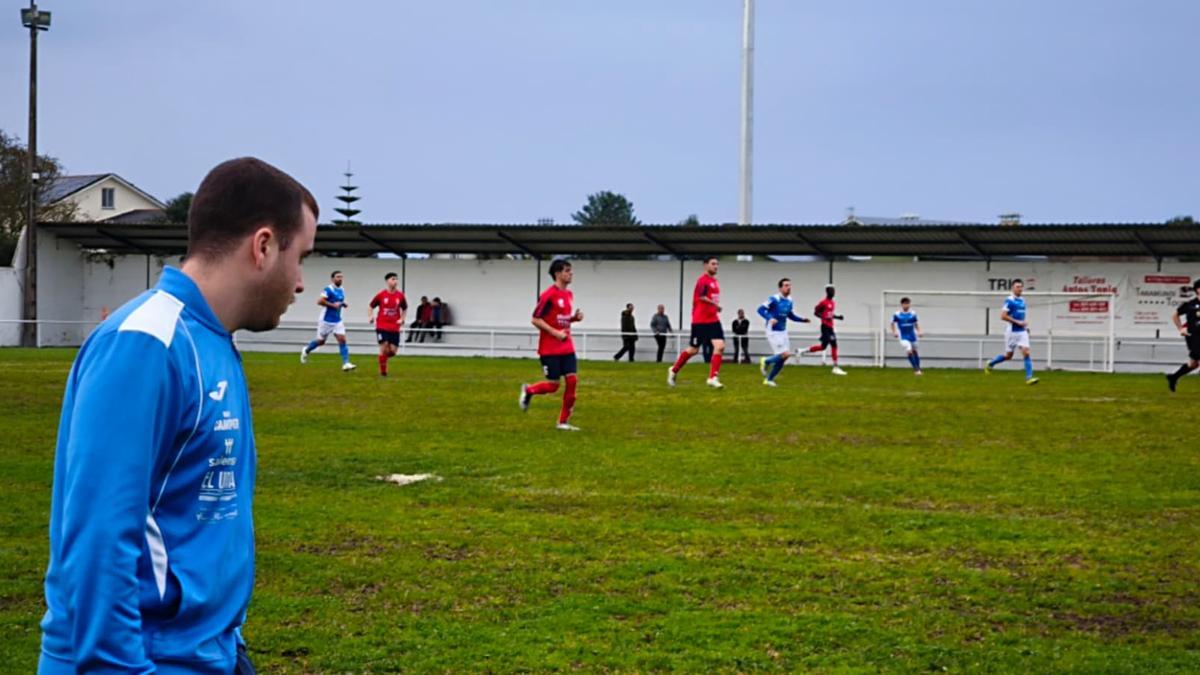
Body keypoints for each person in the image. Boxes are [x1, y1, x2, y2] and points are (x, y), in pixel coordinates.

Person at [38, 157, 317, 674]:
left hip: (208, 652)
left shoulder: (210, 339)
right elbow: (100, 537)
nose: (301, 281)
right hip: (143, 661)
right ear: (262, 246)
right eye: (300, 256)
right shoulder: (147, 343)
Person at [520, 258, 584, 430]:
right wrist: (555, 333)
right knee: (553, 385)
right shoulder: (548, 294)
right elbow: (535, 319)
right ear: (558, 274)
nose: (571, 274)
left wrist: (573, 319)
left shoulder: (569, 295)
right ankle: (529, 391)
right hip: (549, 349)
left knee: (572, 380)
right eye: (567, 271)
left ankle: (563, 422)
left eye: (571, 271)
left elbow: (559, 319)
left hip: (566, 346)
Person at [668, 256, 726, 388]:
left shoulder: (715, 282)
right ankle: (674, 369)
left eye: (717, 264)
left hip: (713, 320)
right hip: (700, 320)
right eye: (713, 264)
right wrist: (715, 305)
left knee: (720, 346)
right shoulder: (702, 281)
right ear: (705, 265)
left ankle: (713, 377)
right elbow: (701, 296)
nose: (716, 266)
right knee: (693, 350)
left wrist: (714, 308)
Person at [756, 278, 811, 386]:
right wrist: (769, 318)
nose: (788, 287)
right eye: (786, 285)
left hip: (783, 330)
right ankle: (766, 361)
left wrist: (802, 320)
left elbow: (790, 315)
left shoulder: (790, 300)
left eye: (789, 285)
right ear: (780, 288)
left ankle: (769, 380)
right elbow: (760, 310)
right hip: (773, 330)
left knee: (784, 357)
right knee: (785, 354)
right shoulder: (774, 299)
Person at [984, 279, 1039, 385]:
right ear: (1013, 288)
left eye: (1021, 287)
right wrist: (1017, 322)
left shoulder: (1022, 300)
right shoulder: (1009, 300)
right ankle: (991, 363)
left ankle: (1029, 378)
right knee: (1008, 356)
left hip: (1022, 331)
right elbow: (1003, 316)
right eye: (1017, 287)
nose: (1020, 289)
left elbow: (1021, 315)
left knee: (1026, 353)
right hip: (1011, 332)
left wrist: (1024, 325)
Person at [300, 270, 355, 371]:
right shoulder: (328, 289)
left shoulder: (342, 289)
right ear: (332, 279)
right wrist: (333, 305)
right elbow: (320, 301)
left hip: (337, 320)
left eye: (341, 277)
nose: (340, 279)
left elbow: (339, 301)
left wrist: (343, 304)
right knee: (321, 341)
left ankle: (346, 363)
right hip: (326, 320)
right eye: (338, 277)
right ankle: (306, 350)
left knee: (342, 340)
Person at [368, 272, 408, 376]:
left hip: (394, 327)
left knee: (393, 352)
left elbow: (405, 308)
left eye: (396, 279)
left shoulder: (400, 296)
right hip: (382, 325)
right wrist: (370, 316)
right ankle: (383, 372)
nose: (395, 281)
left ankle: (382, 358)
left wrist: (402, 319)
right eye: (393, 279)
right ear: (387, 281)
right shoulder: (381, 295)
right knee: (384, 346)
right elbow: (371, 306)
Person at [804, 284, 847, 375]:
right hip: (825, 327)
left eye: (834, 291)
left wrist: (838, 317)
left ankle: (802, 350)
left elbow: (830, 314)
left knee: (823, 347)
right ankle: (835, 367)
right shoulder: (823, 302)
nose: (833, 292)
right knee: (834, 344)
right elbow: (816, 312)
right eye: (831, 291)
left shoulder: (832, 303)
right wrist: (822, 317)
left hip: (830, 327)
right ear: (827, 292)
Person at [1166, 278, 1200, 392]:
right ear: (1198, 290)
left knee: (1194, 364)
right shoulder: (1191, 304)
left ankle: (1173, 377)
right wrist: (1181, 328)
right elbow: (1175, 315)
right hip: (1193, 336)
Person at [891, 297, 923, 375]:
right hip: (903, 336)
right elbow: (892, 323)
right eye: (905, 303)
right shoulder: (897, 314)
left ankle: (918, 368)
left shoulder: (912, 313)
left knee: (915, 351)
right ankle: (916, 369)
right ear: (902, 304)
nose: (907, 305)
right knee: (909, 349)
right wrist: (894, 332)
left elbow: (916, 324)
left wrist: (919, 331)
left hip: (912, 335)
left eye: (908, 303)